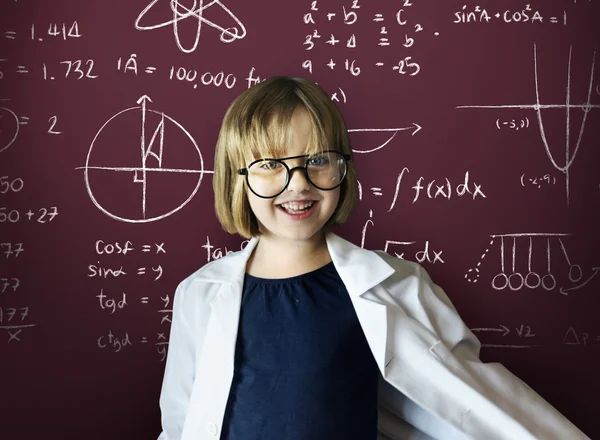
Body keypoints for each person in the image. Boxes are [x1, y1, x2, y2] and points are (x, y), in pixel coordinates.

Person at [157, 76, 589, 440]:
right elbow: (180, 421)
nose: (298, 184)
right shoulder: (200, 293)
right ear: (237, 177)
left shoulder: (397, 285)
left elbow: (465, 393)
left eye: (319, 160)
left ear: (343, 169)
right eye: (271, 164)